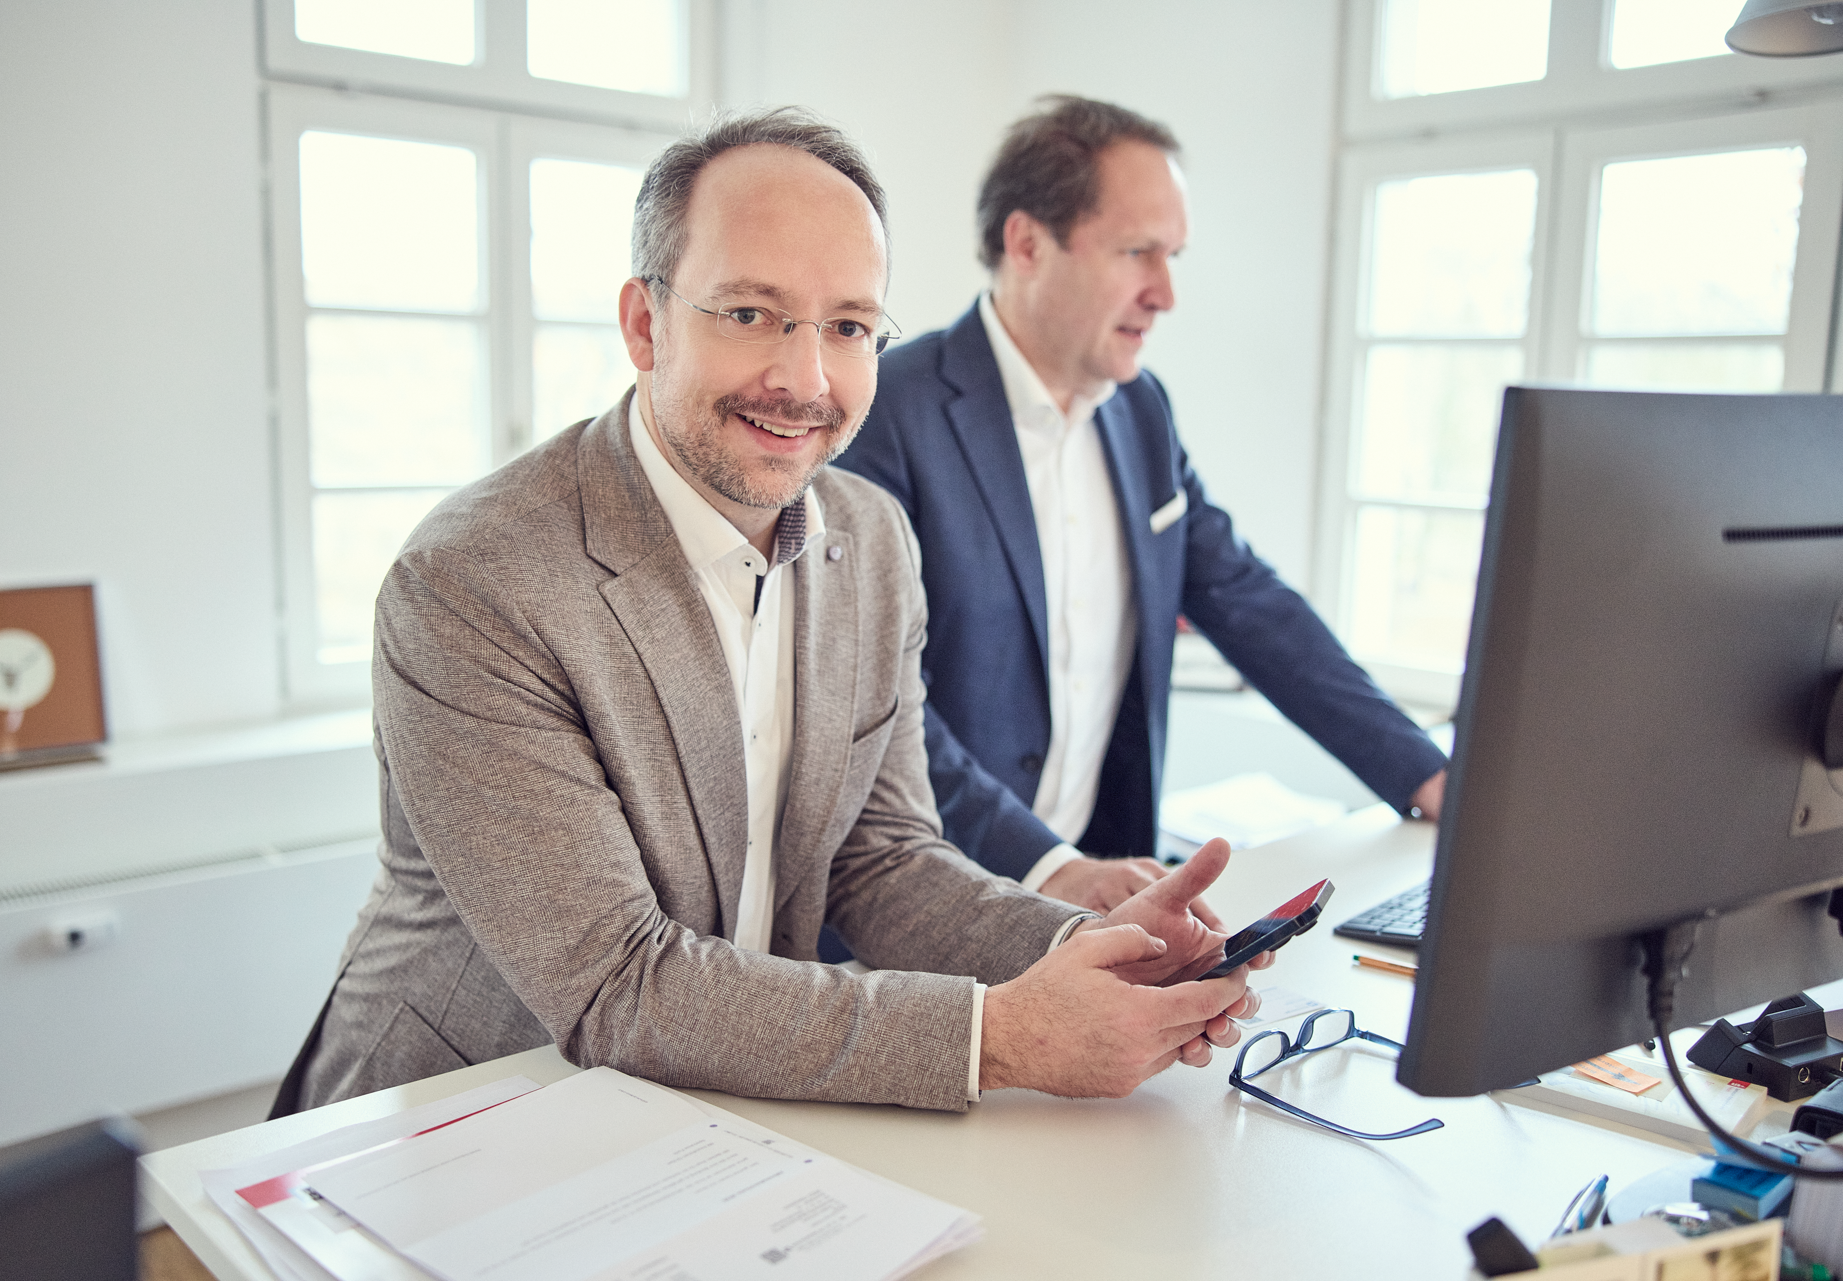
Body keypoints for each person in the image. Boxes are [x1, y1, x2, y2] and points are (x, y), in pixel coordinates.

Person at [271, 108, 1268, 1119]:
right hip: (461, 1121)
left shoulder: (871, 539)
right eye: (750, 313)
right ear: (645, 324)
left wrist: (1088, 950)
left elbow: (882, 859)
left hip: (708, 1116)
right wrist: (1001, 1036)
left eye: (848, 326)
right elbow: (618, 983)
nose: (805, 380)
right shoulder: (474, 580)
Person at [837, 96, 1448, 914]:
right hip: (924, 912)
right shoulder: (888, 410)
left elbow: (1247, 600)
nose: (1165, 293)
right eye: (1138, 252)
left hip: (1094, 899)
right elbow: (877, 703)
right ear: (1027, 243)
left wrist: (1426, 771)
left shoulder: (1141, 409)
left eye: (1174, 256)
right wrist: (1047, 865)